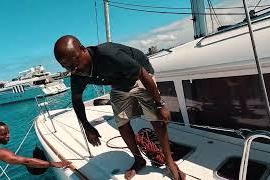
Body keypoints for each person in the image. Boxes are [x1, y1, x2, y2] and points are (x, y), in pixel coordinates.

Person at [53, 35, 185, 180]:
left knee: (154, 117)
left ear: (83, 49)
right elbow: (76, 100)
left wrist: (160, 104)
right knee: (122, 123)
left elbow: (141, 73)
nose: (74, 68)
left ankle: (169, 160)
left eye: (76, 60)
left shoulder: (108, 54)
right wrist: (87, 126)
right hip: (119, 85)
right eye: (67, 66)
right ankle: (138, 159)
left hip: (140, 76)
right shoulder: (76, 74)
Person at [0, 121, 71, 168]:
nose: (8, 136)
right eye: (4, 134)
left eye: (8, 133)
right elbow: (27, 161)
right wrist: (54, 164)